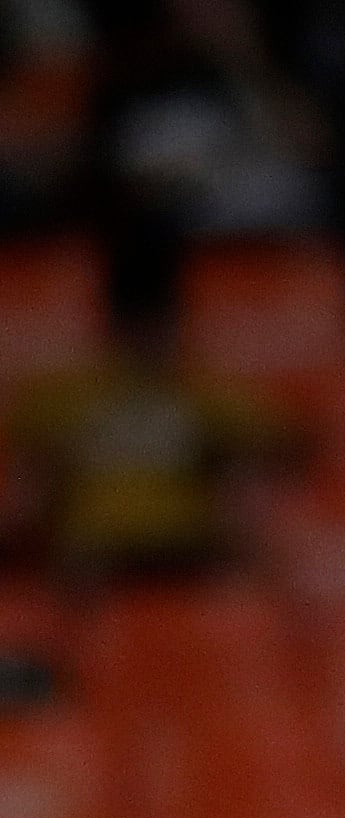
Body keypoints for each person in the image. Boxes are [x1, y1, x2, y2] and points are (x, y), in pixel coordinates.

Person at [0, 208, 290, 581]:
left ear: (176, 322)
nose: (148, 338)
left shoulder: (209, 396)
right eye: (137, 325)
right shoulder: (60, 398)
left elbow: (281, 449)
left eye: (159, 324)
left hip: (188, 552)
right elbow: (29, 494)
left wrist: (224, 461)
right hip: (93, 557)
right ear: (114, 326)